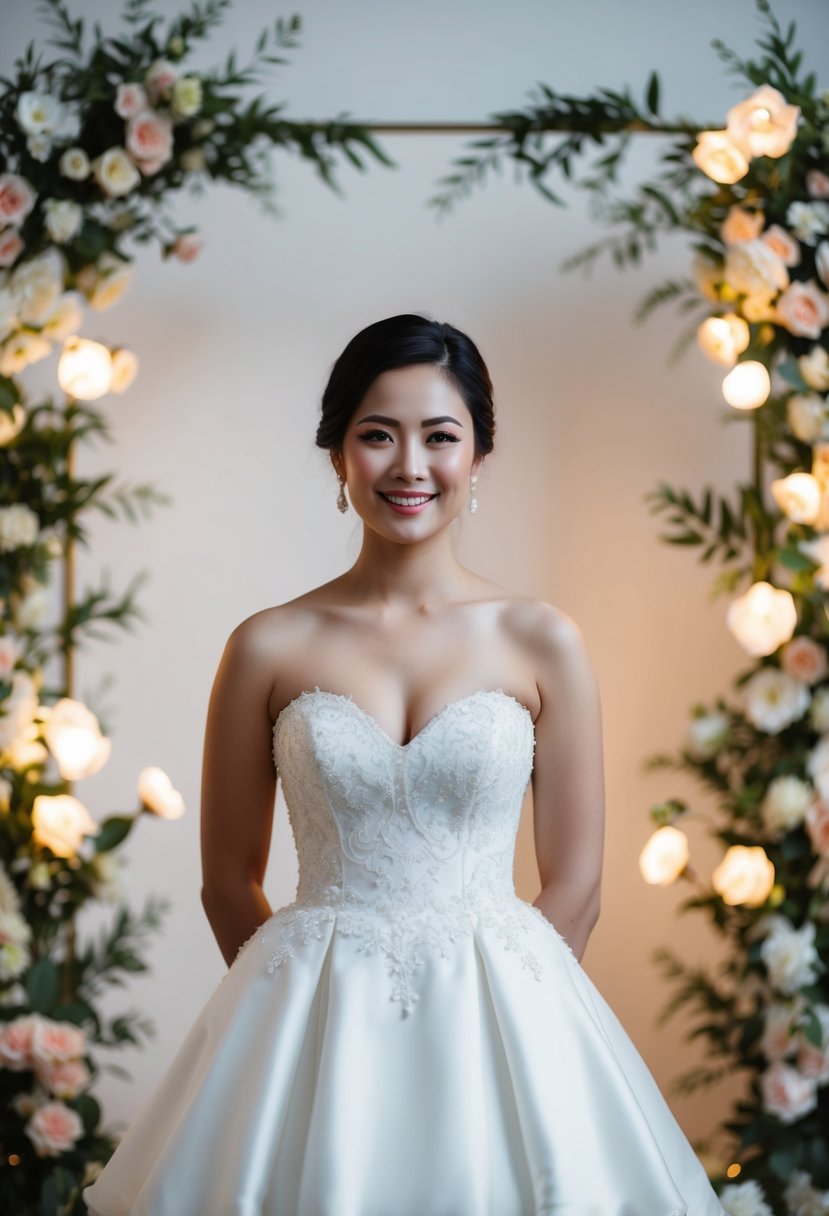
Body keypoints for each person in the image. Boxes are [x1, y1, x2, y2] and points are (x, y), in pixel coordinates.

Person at [84, 314, 726, 1215]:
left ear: (478, 456)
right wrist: (296, 1030)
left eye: (440, 436)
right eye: (377, 435)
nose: (409, 465)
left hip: (506, 1018)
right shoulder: (267, 645)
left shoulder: (540, 639)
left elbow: (574, 883)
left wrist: (508, 1027)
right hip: (310, 1024)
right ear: (339, 455)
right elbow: (228, 882)